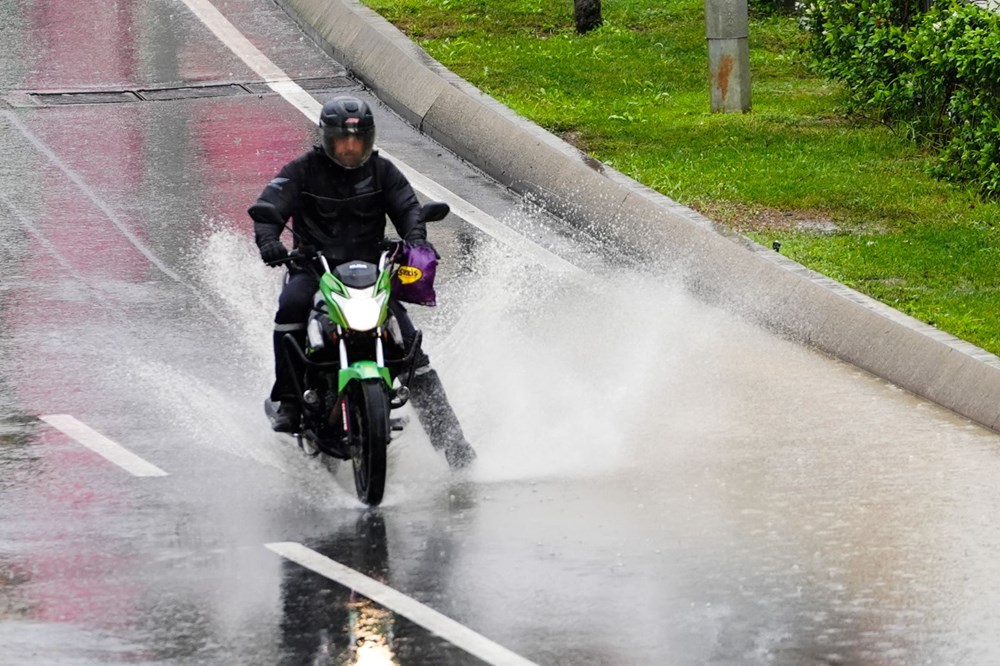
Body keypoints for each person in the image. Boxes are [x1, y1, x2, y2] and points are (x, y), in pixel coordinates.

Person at [247, 95, 475, 468]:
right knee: (291, 305)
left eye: (358, 141)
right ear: (327, 138)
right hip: (314, 270)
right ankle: (288, 401)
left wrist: (416, 240)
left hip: (371, 273)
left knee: (409, 348)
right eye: (343, 140)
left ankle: (454, 444)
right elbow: (269, 206)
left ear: (368, 140)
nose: (351, 148)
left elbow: (407, 208)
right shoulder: (302, 169)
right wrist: (270, 241)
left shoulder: (383, 171)